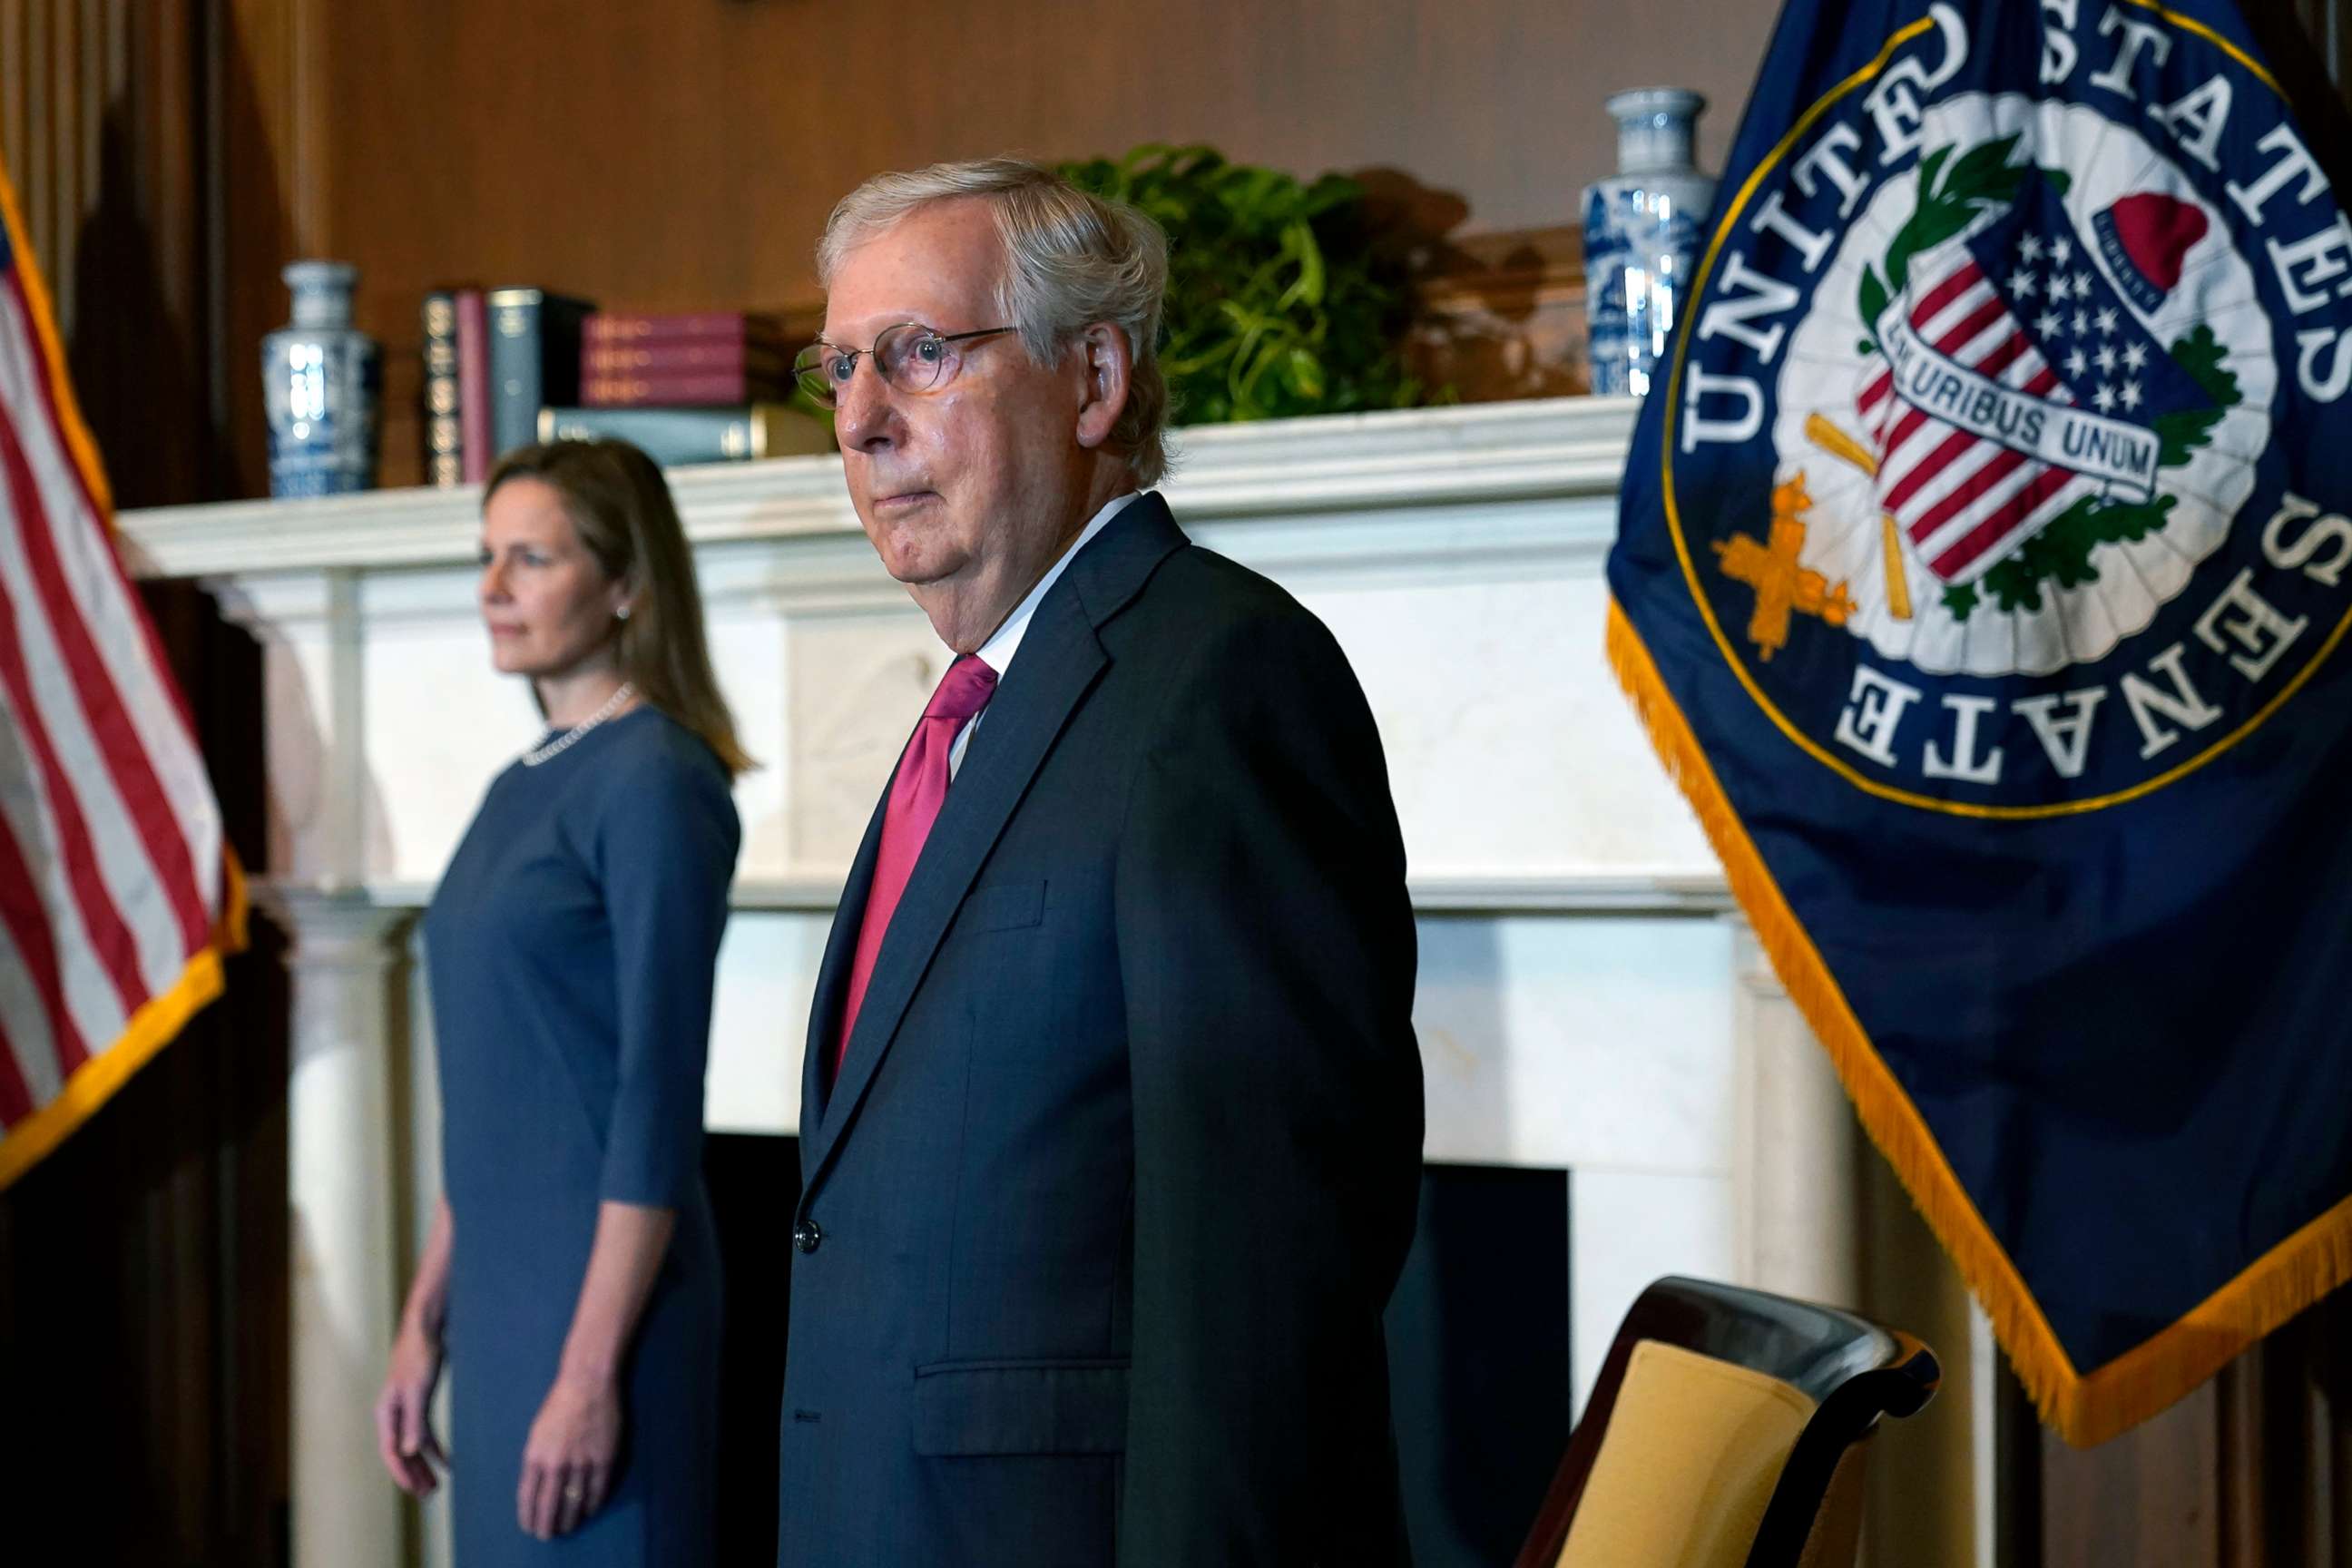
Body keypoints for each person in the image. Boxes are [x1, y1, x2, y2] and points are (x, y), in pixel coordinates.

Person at [779, 158, 1426, 1565]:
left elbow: (1264, 1285)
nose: (862, 422)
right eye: (836, 370)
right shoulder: (978, 710)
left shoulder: (1222, 682)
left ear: (1095, 380)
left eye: (921, 355)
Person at [374, 439, 749, 1564]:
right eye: (487, 558)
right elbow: (499, 1095)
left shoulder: (657, 779)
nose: (492, 590)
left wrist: (589, 1375)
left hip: (608, 1325)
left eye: (530, 559)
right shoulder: (517, 784)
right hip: (499, 1307)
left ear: (627, 582)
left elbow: (653, 1103)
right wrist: (423, 1316)